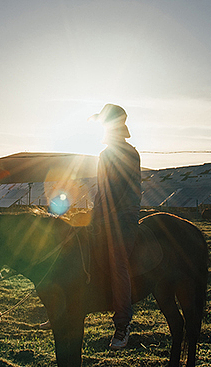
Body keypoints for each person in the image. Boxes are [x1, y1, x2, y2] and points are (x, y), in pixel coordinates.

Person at [89, 104, 141, 350]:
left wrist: (106, 216)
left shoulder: (128, 154)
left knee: (117, 260)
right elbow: (101, 192)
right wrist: (93, 217)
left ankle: (123, 323)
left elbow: (121, 191)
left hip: (124, 218)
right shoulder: (104, 155)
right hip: (104, 216)